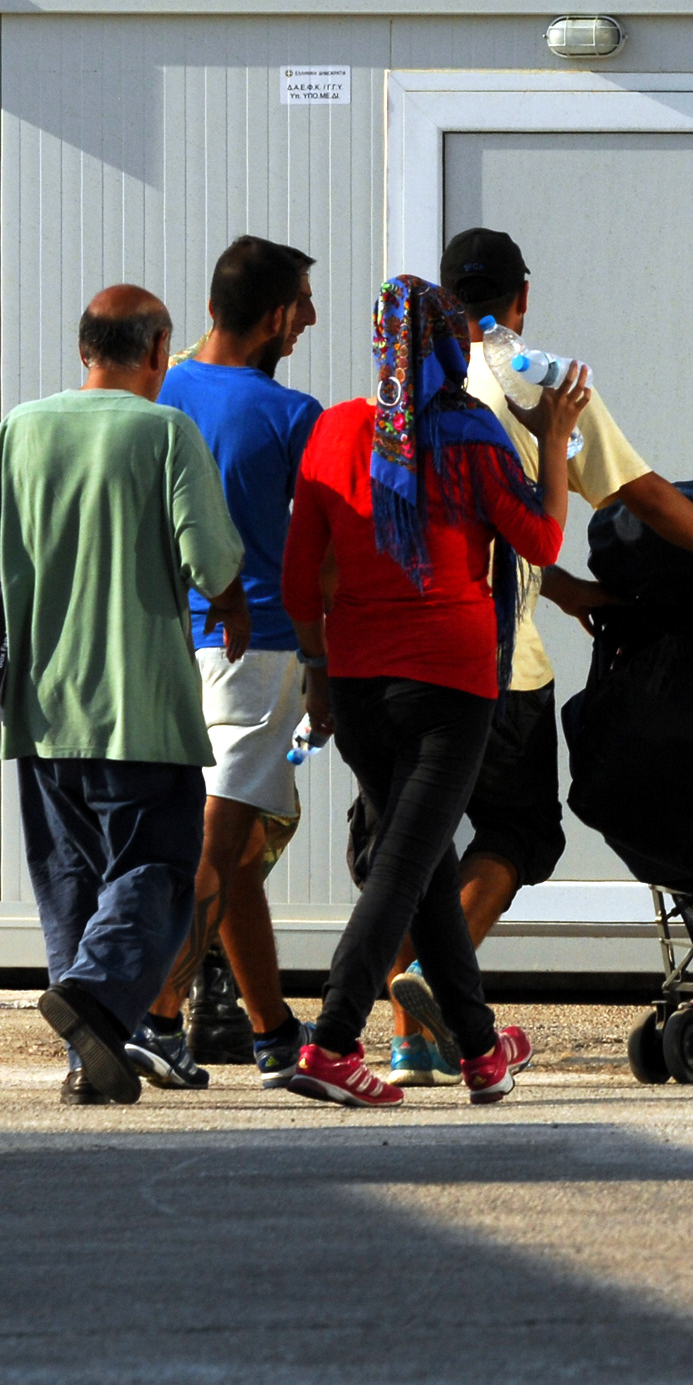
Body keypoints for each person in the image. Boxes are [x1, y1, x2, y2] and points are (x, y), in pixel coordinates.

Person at [365, 226, 693, 1086]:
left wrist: (565, 590)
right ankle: (420, 979)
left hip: (390, 661)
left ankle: (408, 1043)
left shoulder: (402, 394)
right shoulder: (540, 380)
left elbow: (464, 524)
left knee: (415, 848)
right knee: (516, 832)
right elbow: (645, 496)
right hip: (495, 666)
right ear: (522, 299)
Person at [0, 285, 249, 1104]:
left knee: (70, 886)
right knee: (158, 872)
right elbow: (211, 562)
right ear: (160, 346)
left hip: (42, 715)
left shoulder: (20, 429)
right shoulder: (167, 432)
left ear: (85, 347)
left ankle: (87, 1059)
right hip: (144, 713)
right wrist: (233, 609)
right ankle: (94, 1001)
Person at [277, 275, 583, 1107]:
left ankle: (482, 1051)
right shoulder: (474, 435)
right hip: (452, 684)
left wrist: (316, 672)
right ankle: (334, 1042)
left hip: (358, 682)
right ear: (451, 348)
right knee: (405, 868)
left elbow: (300, 578)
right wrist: (553, 437)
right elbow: (542, 538)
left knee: (419, 859)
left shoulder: (337, 431)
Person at [143, 235, 324, 1089]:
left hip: (160, 645)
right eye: (304, 308)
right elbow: (326, 550)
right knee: (216, 843)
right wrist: (325, 662)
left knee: (239, 844)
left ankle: (276, 1032)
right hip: (256, 651)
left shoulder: (159, 391)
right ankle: (154, 1018)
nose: (312, 323)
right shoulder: (294, 417)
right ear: (277, 315)